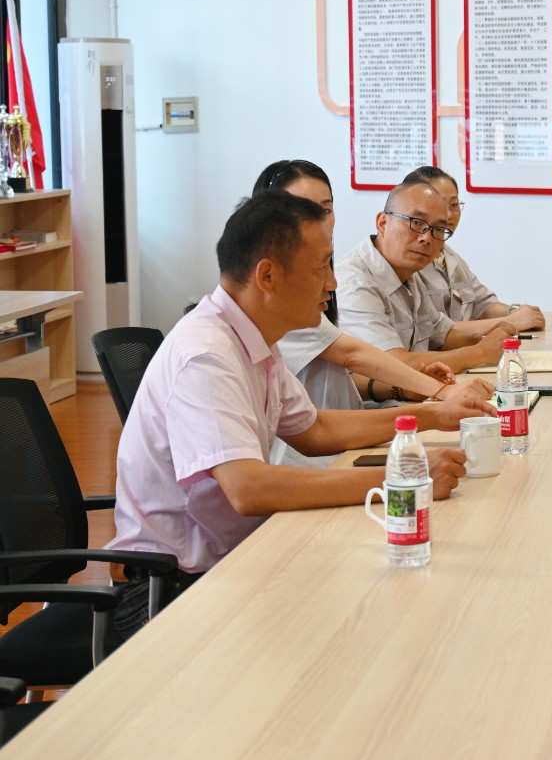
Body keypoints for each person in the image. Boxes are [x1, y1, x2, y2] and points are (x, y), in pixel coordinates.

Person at [105, 192, 469, 644]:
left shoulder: (254, 337)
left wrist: (431, 414)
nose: (332, 283)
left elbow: (315, 429)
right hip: (170, 591)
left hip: (239, 559)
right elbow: (248, 489)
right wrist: (402, 481)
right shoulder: (206, 354)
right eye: (321, 268)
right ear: (268, 276)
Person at [252, 160, 495, 466]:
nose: (332, 284)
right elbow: (353, 357)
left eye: (325, 209)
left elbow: (331, 399)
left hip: (343, 440)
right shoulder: (283, 301)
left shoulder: (414, 273)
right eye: (301, 208)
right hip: (313, 460)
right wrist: (442, 394)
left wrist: (410, 391)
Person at [335, 181, 520, 374]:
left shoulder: (410, 275)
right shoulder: (355, 283)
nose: (427, 238)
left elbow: (441, 334)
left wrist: (491, 336)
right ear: (383, 223)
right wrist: (479, 353)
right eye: (416, 223)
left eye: (438, 229)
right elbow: (391, 365)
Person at [399, 165, 545, 331]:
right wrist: (511, 322)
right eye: (438, 204)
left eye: (454, 204)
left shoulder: (449, 256)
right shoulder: (409, 261)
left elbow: (482, 304)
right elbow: (434, 331)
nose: (448, 215)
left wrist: (516, 312)